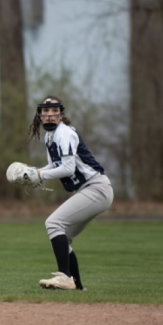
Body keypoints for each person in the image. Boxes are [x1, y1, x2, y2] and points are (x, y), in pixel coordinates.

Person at [25, 96, 113, 291]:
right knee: (63, 236)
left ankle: (65, 277)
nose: (49, 115)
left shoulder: (63, 133)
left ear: (61, 114)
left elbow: (67, 168)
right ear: (39, 115)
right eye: (45, 112)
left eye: (53, 111)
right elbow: (52, 166)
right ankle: (78, 288)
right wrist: (33, 173)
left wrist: (39, 175)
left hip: (96, 188)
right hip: (91, 189)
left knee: (53, 223)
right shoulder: (50, 135)